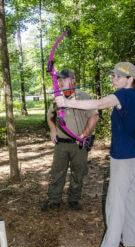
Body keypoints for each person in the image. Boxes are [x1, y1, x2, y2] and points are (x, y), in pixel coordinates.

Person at [55, 62, 135, 247]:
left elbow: (96, 104)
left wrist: (67, 103)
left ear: (129, 79)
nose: (113, 79)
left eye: (118, 76)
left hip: (124, 158)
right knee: (131, 199)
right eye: (112, 75)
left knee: (115, 204)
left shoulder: (123, 95)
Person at [41, 69, 99, 211]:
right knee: (57, 173)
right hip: (61, 143)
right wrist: (53, 129)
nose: (60, 82)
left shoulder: (83, 96)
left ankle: (74, 199)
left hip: (79, 144)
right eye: (58, 79)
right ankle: (54, 200)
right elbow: (50, 117)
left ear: (73, 80)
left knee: (78, 173)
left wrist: (84, 134)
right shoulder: (58, 97)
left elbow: (94, 116)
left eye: (63, 79)